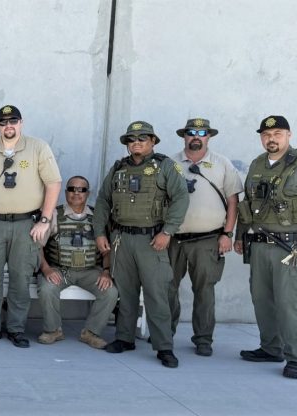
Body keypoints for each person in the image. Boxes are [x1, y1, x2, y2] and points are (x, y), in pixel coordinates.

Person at [0, 105, 62, 348]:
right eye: (3, 122)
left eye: (13, 121)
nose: (9, 126)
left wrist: (44, 220)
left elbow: (53, 183)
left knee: (21, 278)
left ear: (21, 122)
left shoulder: (38, 148)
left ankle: (16, 329)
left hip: (26, 224)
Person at [93, 121, 189, 368]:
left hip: (152, 240)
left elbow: (180, 198)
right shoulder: (118, 168)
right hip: (121, 239)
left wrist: (168, 231)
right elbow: (103, 201)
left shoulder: (165, 166)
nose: (136, 143)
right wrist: (100, 233)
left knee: (157, 294)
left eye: (142, 138)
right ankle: (124, 338)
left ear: (153, 141)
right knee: (126, 293)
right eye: (131, 139)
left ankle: (164, 346)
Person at [235, 115, 297, 380]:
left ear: (288, 135)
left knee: (290, 305)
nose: (271, 139)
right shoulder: (257, 164)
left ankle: (296, 358)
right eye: (266, 135)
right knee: (262, 300)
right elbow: (248, 203)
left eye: (277, 134)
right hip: (260, 245)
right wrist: (240, 235)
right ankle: (271, 348)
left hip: (292, 247)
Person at [167, 118, 241, 357]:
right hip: (174, 239)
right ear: (184, 136)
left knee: (204, 290)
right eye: (191, 132)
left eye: (201, 132)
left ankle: (203, 338)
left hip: (208, 239)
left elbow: (233, 202)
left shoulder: (222, 163)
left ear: (208, 136)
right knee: (167, 287)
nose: (196, 137)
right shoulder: (170, 163)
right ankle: (165, 333)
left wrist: (227, 234)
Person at [36, 176, 117, 349]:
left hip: (90, 270)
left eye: (81, 190)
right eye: (72, 189)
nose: (76, 193)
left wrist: (106, 271)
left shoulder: (98, 217)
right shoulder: (53, 214)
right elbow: (38, 246)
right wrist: (46, 269)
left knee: (110, 292)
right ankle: (53, 331)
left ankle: (91, 333)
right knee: (47, 288)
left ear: (88, 193)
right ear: (66, 192)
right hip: (60, 270)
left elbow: (107, 249)